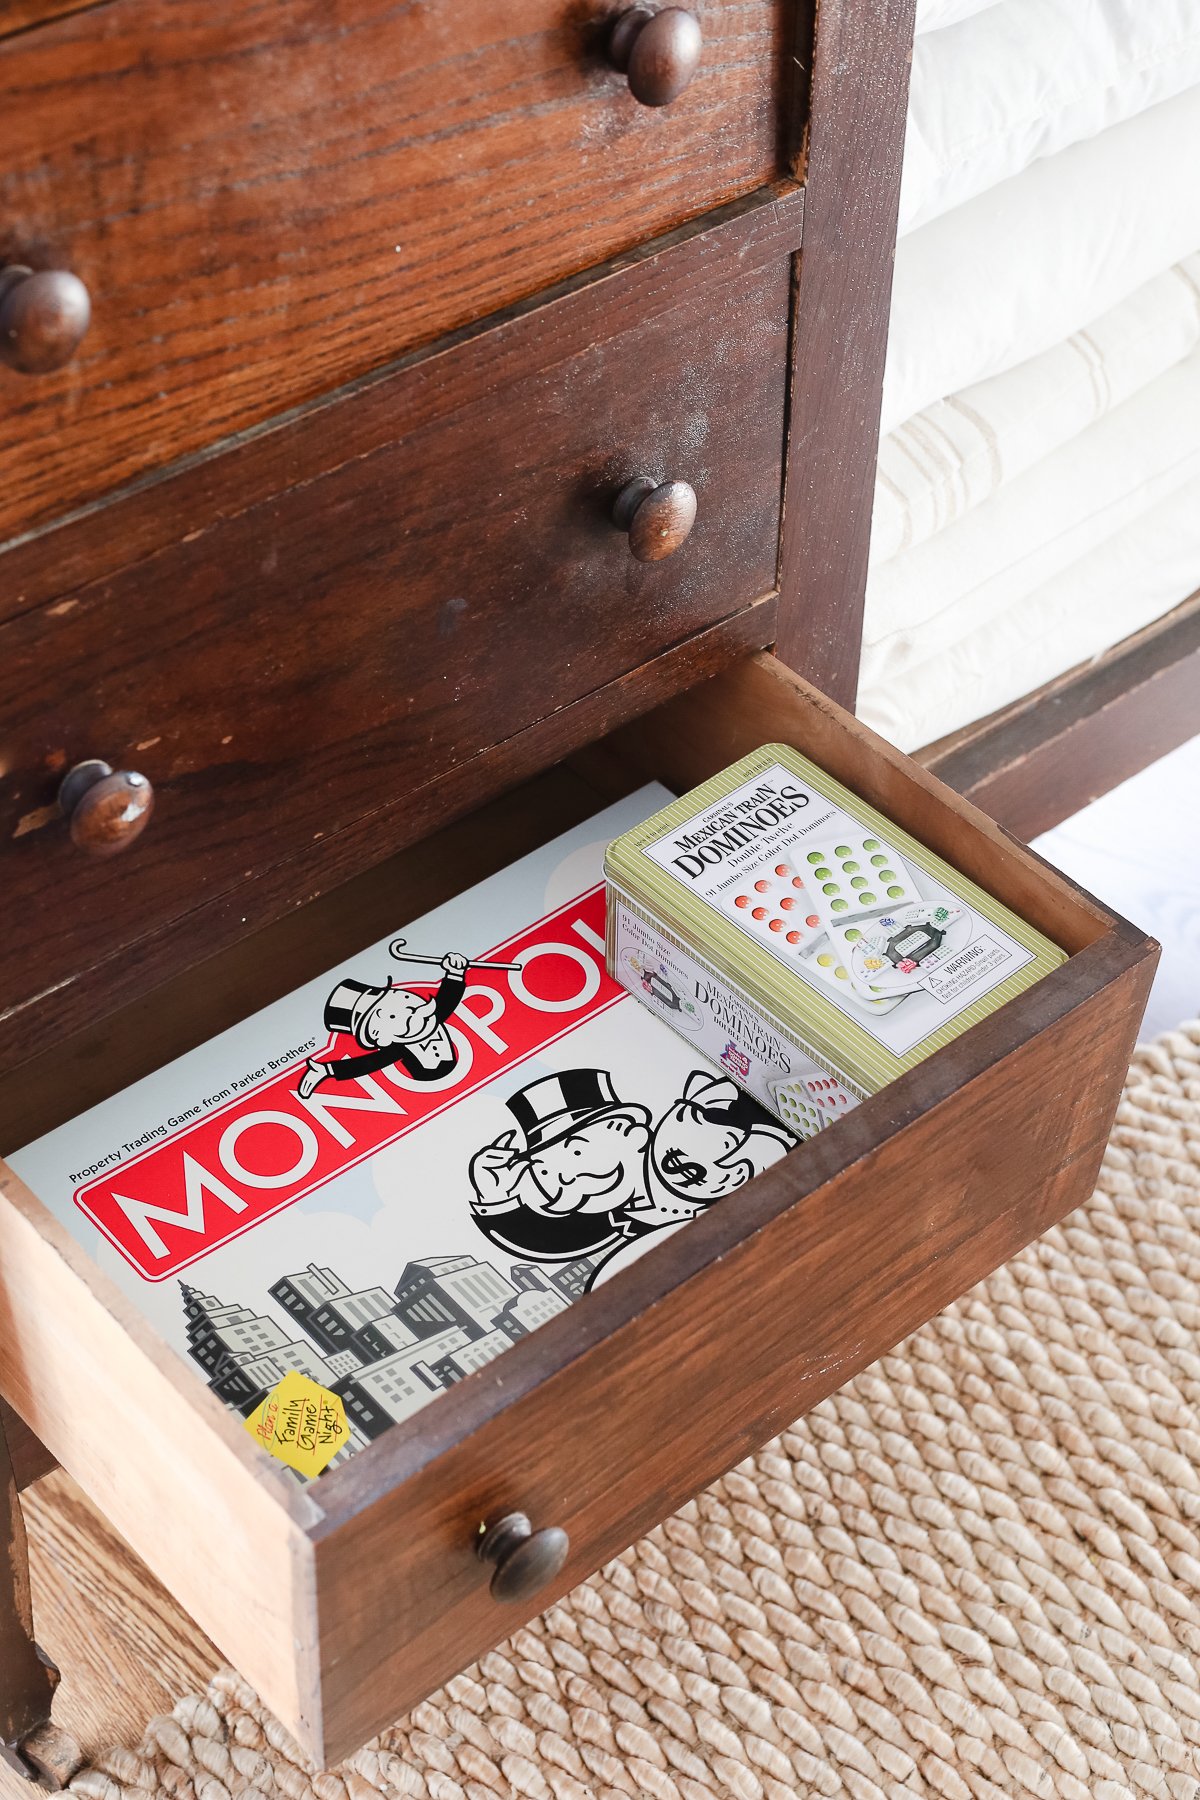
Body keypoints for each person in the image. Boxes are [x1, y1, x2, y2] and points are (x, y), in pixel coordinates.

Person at [467, 1067, 791, 1273]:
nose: (566, 1177)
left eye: (576, 1149)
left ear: (622, 1128)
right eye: (548, 1177)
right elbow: (551, 1241)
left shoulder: (701, 1118)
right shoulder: (620, 1219)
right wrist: (497, 1199)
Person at [297, 952, 470, 1098]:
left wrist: (455, 972)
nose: (408, 1007)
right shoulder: (398, 1050)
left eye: (404, 997)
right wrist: (327, 1069)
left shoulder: (432, 1016)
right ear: (379, 1036)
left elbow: (448, 999)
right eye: (393, 1015)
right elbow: (369, 1063)